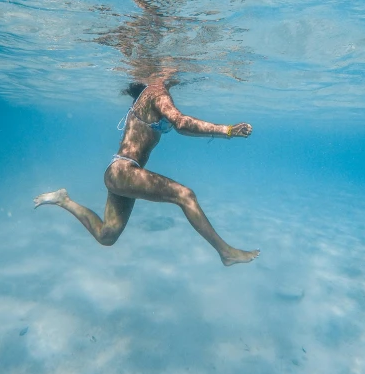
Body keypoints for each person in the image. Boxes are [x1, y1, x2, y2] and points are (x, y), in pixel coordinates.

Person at [34, 77, 259, 266]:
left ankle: (64, 200)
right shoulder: (156, 91)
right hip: (123, 172)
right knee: (185, 195)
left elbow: (182, 127)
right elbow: (181, 123)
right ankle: (225, 252)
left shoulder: (149, 95)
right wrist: (227, 130)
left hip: (120, 172)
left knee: (107, 235)